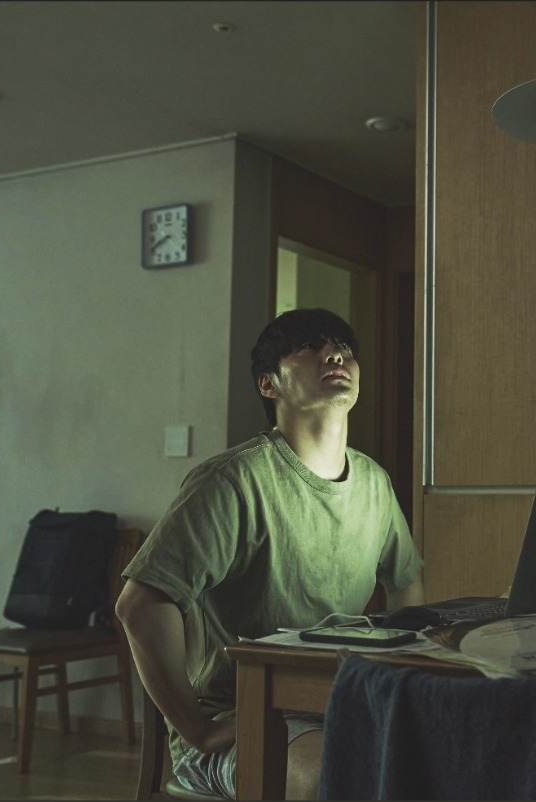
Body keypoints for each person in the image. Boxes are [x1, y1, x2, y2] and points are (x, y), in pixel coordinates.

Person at [116, 307, 424, 800]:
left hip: (338, 701)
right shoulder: (233, 481)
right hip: (241, 720)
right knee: (338, 773)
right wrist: (199, 731)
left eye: (343, 347)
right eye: (310, 346)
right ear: (269, 384)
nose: (335, 354)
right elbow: (140, 605)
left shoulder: (374, 482)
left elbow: (405, 584)